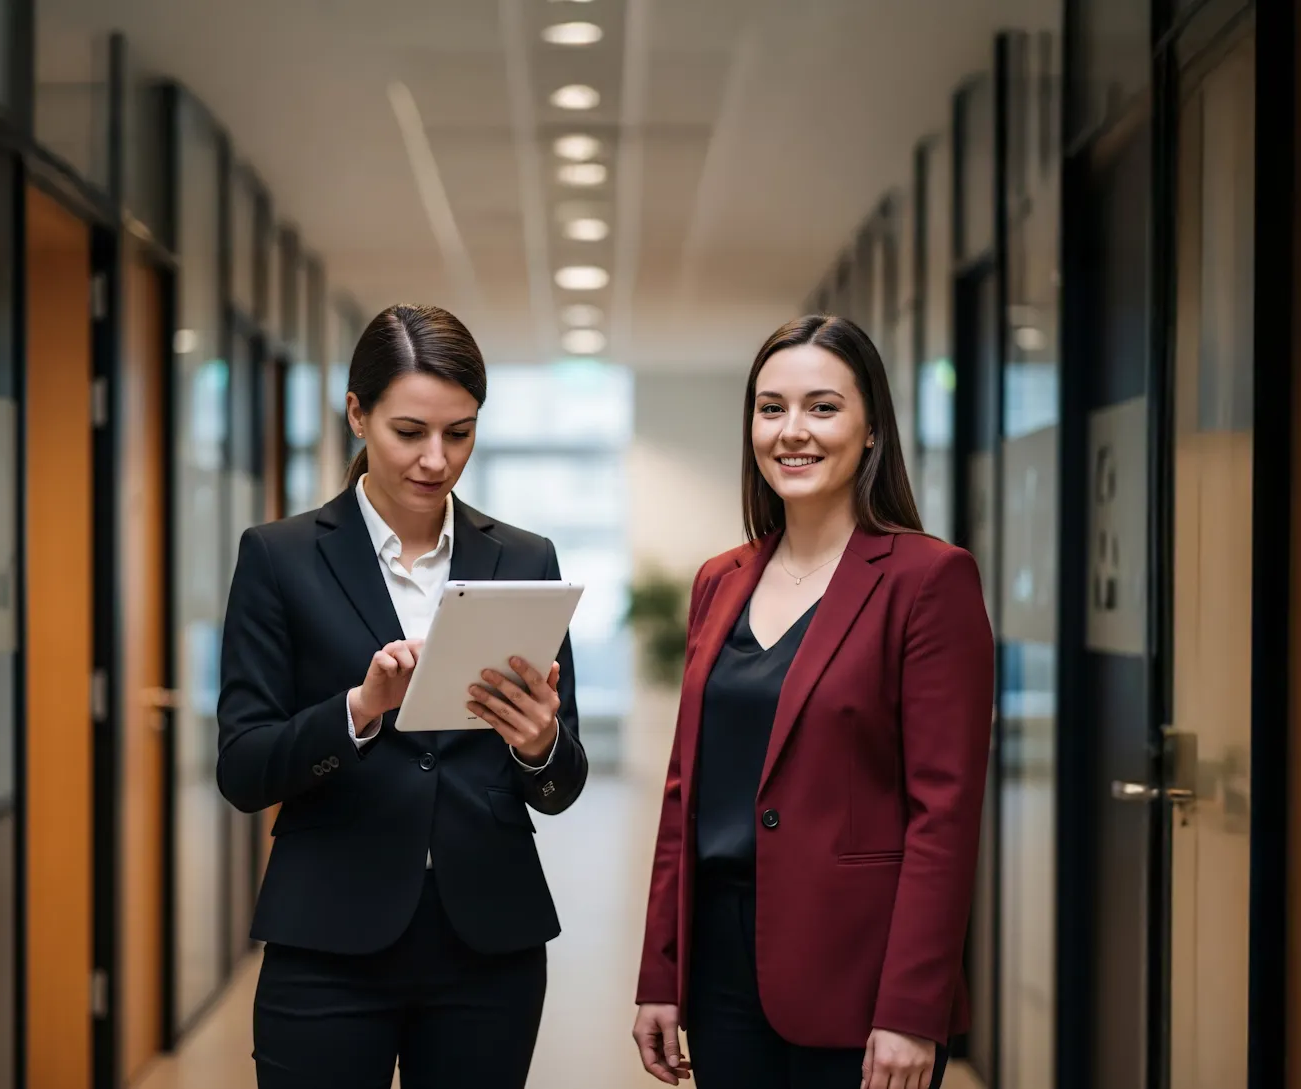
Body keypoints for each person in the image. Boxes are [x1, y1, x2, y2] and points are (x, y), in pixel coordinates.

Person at [216, 303, 589, 1089]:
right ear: (357, 414)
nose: (436, 459)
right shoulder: (279, 557)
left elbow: (560, 784)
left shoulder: (525, 558)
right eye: (409, 431)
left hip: (489, 942)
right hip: (326, 934)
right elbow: (244, 768)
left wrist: (538, 745)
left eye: (460, 432)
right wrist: (358, 710)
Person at [629, 315, 993, 1089]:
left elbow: (944, 814)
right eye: (771, 408)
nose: (791, 430)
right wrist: (660, 974)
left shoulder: (927, 580)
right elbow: (682, 795)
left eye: (822, 407)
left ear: (871, 428)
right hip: (721, 970)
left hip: (858, 972)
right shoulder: (720, 580)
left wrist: (911, 1006)